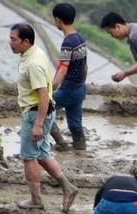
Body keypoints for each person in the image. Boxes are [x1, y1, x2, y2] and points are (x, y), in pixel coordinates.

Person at [9, 24, 78, 212]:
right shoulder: (34, 53)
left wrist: (37, 124)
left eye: (14, 39)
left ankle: (36, 200)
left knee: (28, 157)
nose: (10, 43)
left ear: (26, 41)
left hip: (35, 113)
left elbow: (43, 95)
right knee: (42, 154)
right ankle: (68, 187)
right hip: (40, 112)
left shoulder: (33, 64)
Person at [51, 3, 88, 151]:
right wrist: (81, 84)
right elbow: (85, 66)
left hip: (68, 90)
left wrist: (50, 88)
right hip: (80, 89)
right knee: (74, 123)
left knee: (40, 110)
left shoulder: (67, 43)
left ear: (58, 20)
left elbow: (62, 70)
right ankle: (80, 147)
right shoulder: (80, 38)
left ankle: (62, 144)